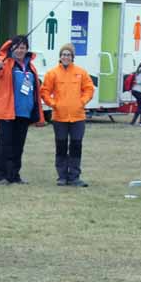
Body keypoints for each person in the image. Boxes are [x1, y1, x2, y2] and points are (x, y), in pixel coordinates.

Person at [0, 35, 46, 185]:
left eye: (23, 47)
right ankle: (0, 176)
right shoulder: (4, 61)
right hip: (6, 111)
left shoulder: (31, 67)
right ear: (12, 48)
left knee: (18, 146)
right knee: (4, 145)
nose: (21, 50)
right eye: (18, 47)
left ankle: (14, 175)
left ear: (27, 49)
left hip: (24, 113)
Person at [40, 42, 95, 187]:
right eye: (63, 54)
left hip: (78, 117)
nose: (66, 57)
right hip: (59, 117)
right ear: (60, 56)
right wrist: (53, 104)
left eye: (68, 55)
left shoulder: (81, 72)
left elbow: (89, 89)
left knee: (76, 146)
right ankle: (62, 176)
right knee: (61, 146)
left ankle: (74, 177)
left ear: (72, 57)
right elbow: (44, 91)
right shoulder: (52, 73)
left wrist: (82, 101)